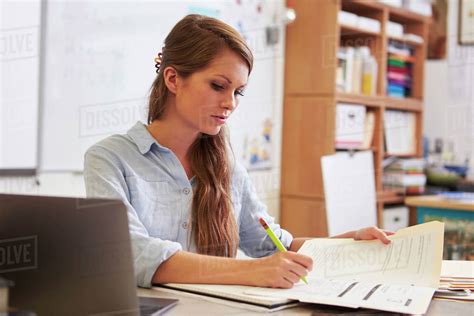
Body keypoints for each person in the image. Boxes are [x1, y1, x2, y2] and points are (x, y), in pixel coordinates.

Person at [84, 14, 393, 289]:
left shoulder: (226, 167)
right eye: (219, 86)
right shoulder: (109, 159)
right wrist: (252, 271)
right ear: (173, 79)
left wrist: (348, 244)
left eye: (238, 91)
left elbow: (273, 246)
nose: (231, 103)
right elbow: (133, 254)